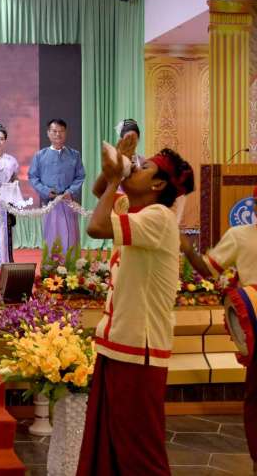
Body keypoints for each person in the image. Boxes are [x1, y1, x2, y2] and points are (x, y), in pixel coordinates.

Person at [77, 140, 195, 476]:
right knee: (110, 446)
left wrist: (117, 176)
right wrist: (117, 165)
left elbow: (96, 226)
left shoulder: (159, 217)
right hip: (118, 344)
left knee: (139, 453)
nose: (135, 169)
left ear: (158, 185)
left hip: (139, 351)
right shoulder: (136, 208)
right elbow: (99, 192)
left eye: (144, 168)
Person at [180, 185, 257, 469]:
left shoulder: (240, 235)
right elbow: (209, 268)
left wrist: (187, 249)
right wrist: (187, 249)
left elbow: (207, 269)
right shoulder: (239, 236)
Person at [28, 119, 85, 254]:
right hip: (50, 203)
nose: (58, 134)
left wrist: (70, 191)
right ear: (48, 133)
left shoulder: (74, 155)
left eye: (61, 131)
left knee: (70, 236)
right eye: (54, 131)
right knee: (51, 236)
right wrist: (46, 191)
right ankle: (51, 265)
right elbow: (33, 177)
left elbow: (80, 176)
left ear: (66, 133)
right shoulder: (40, 156)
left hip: (68, 202)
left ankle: (71, 264)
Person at [0, 122, 20, 266]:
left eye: (1, 139)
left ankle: (6, 259)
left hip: (7, 201)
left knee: (7, 229)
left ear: (5, 140)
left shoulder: (11, 160)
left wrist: (14, 185)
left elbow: (15, 178)